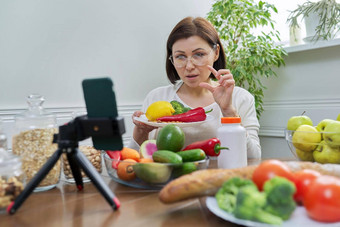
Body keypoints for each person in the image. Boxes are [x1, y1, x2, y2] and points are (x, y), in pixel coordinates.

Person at [128, 16, 261, 158]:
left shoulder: (241, 98)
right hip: (168, 179)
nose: (189, 66)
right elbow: (134, 160)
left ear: (216, 53)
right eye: (180, 56)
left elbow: (254, 157)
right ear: (172, 59)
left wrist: (229, 112)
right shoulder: (157, 97)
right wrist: (141, 131)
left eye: (199, 54)